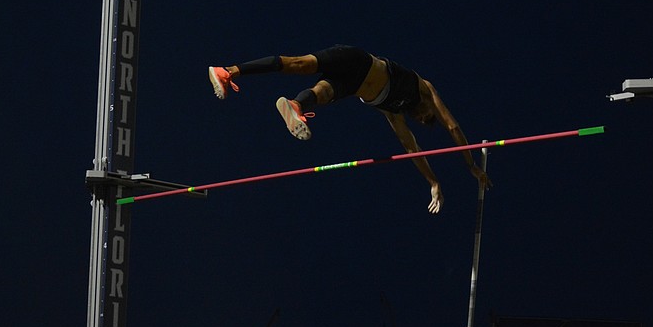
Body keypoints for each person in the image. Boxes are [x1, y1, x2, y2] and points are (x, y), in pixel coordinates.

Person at [208, 44, 490, 214]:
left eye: (422, 118)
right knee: (298, 64)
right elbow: (453, 127)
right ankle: (229, 70)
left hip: (352, 86)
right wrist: (471, 165)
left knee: (319, 94)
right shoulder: (426, 89)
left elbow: (411, 148)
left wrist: (433, 182)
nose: (422, 115)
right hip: (357, 60)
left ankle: (294, 107)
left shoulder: (394, 112)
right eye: (427, 115)